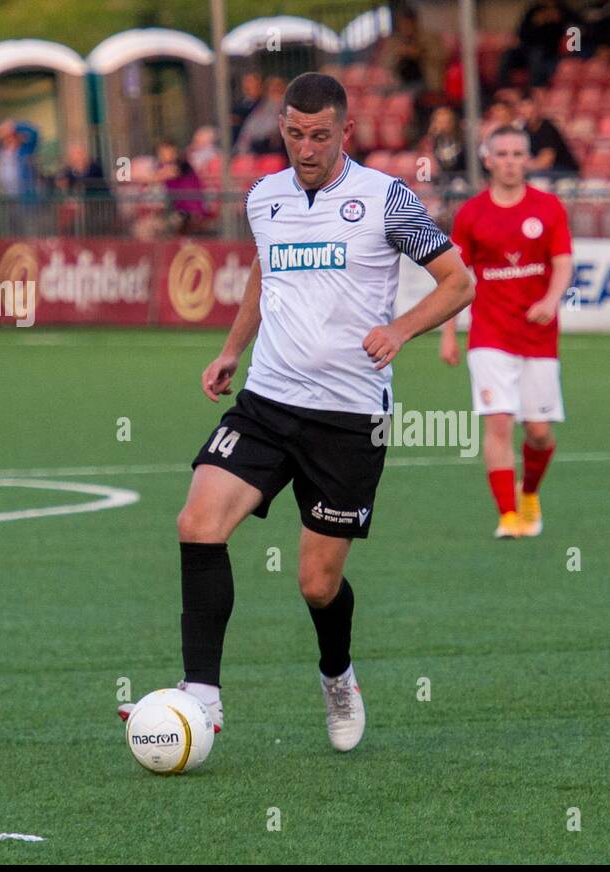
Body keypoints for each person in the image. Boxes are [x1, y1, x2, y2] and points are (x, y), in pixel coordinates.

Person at [119, 73, 473, 753]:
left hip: (347, 416)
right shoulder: (265, 196)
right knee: (197, 521)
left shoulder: (385, 199)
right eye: (294, 133)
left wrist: (400, 330)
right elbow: (265, 272)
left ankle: (337, 672)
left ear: (345, 132)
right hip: (268, 400)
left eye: (319, 135)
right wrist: (231, 349)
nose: (306, 147)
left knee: (315, 583)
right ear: (281, 127)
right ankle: (203, 697)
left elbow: (459, 280)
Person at [439, 126, 573, 538]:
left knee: (537, 431)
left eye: (518, 153)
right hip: (489, 336)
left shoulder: (548, 207)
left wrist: (551, 301)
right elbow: (455, 277)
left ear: (527, 159)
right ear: (488, 159)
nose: (511, 161)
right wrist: (448, 332)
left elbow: (563, 262)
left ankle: (529, 493)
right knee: (498, 424)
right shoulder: (472, 214)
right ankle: (508, 515)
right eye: (503, 153)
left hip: (538, 338)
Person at [518, 92, 580, 174]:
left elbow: (545, 162)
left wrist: (523, 166)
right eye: (522, 106)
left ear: (537, 107)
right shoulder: (523, 130)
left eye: (528, 105)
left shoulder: (547, 128)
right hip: (542, 172)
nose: (524, 110)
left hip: (564, 172)